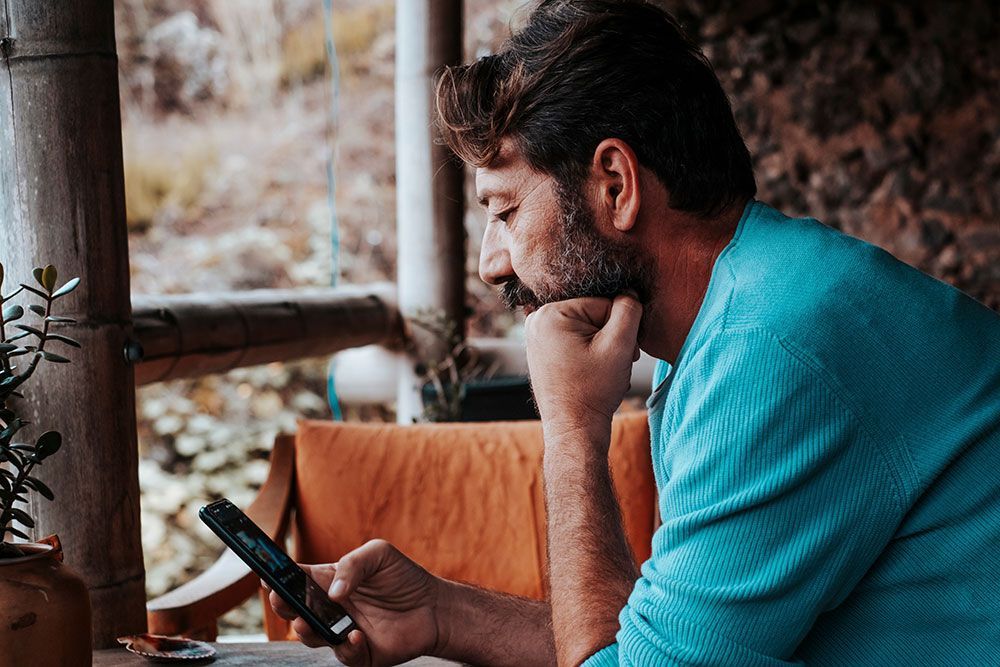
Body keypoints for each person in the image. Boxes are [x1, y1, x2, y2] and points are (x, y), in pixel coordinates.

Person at [270, 1, 1000, 664]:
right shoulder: (743, 317)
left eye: (505, 211)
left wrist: (572, 428)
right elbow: (663, 638)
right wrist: (441, 610)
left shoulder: (772, 351)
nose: (493, 264)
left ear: (615, 185)